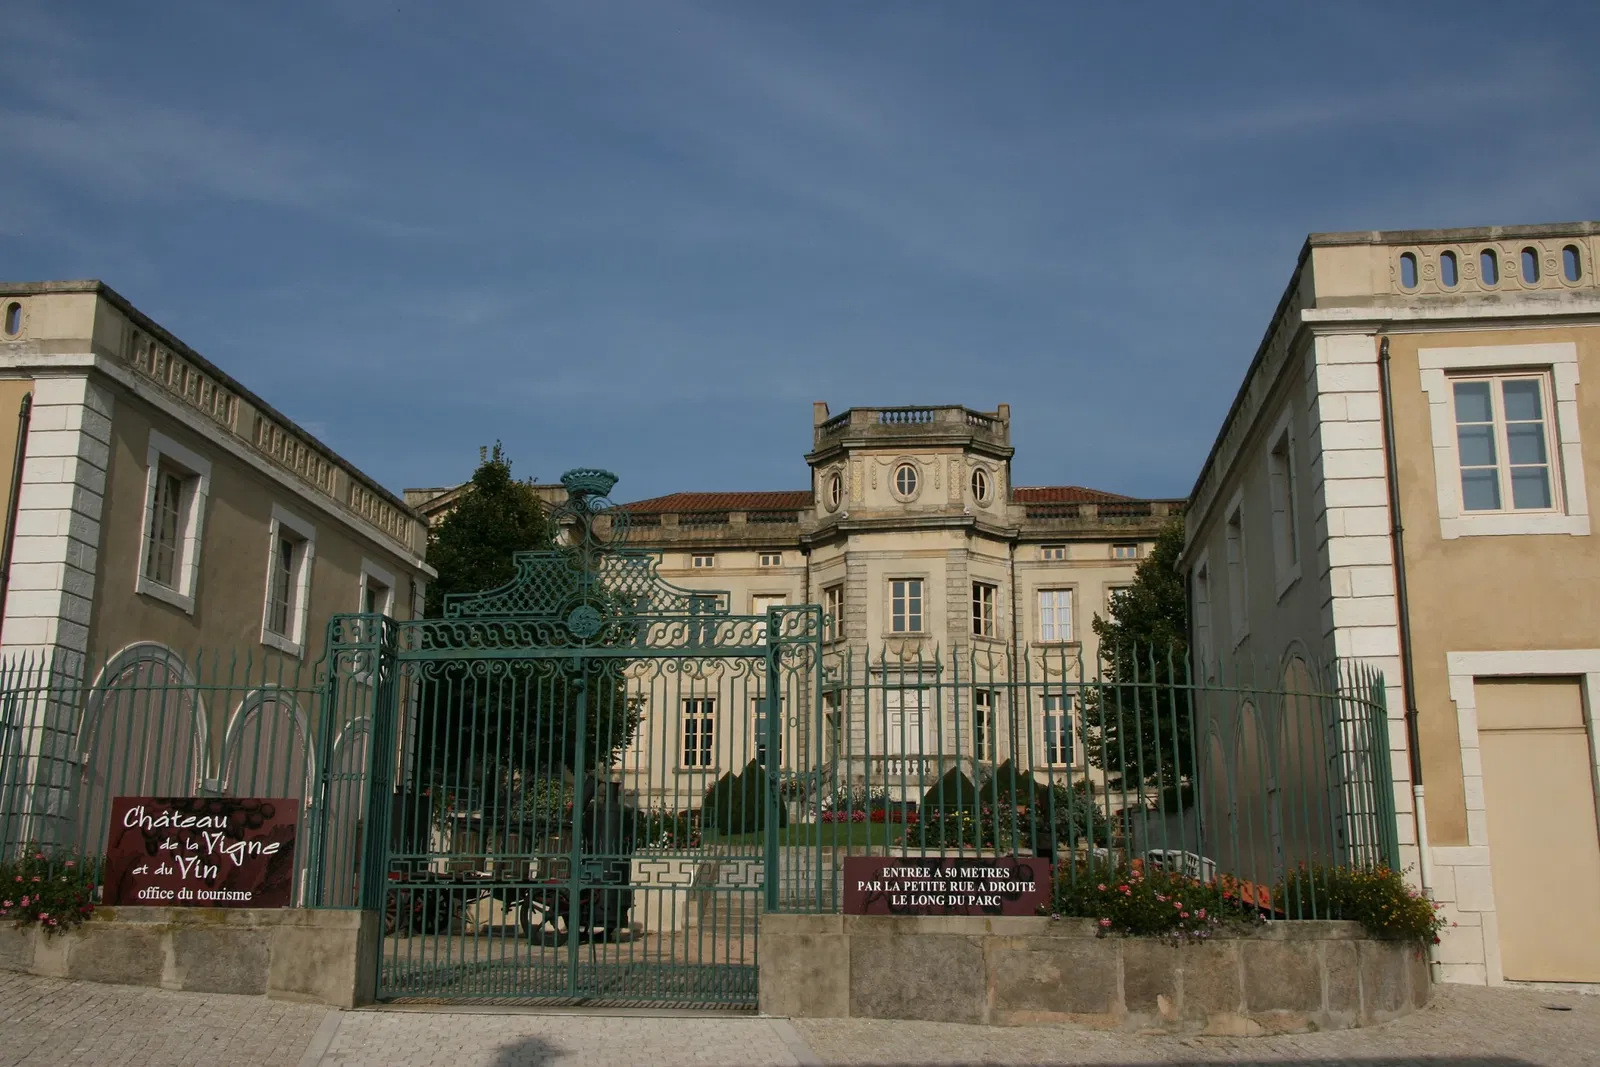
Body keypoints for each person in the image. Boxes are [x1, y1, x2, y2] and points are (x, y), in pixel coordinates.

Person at [576, 777, 638, 941]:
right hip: (611, 865)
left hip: (607, 864)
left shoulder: (604, 811)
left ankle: (606, 922)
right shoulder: (616, 811)